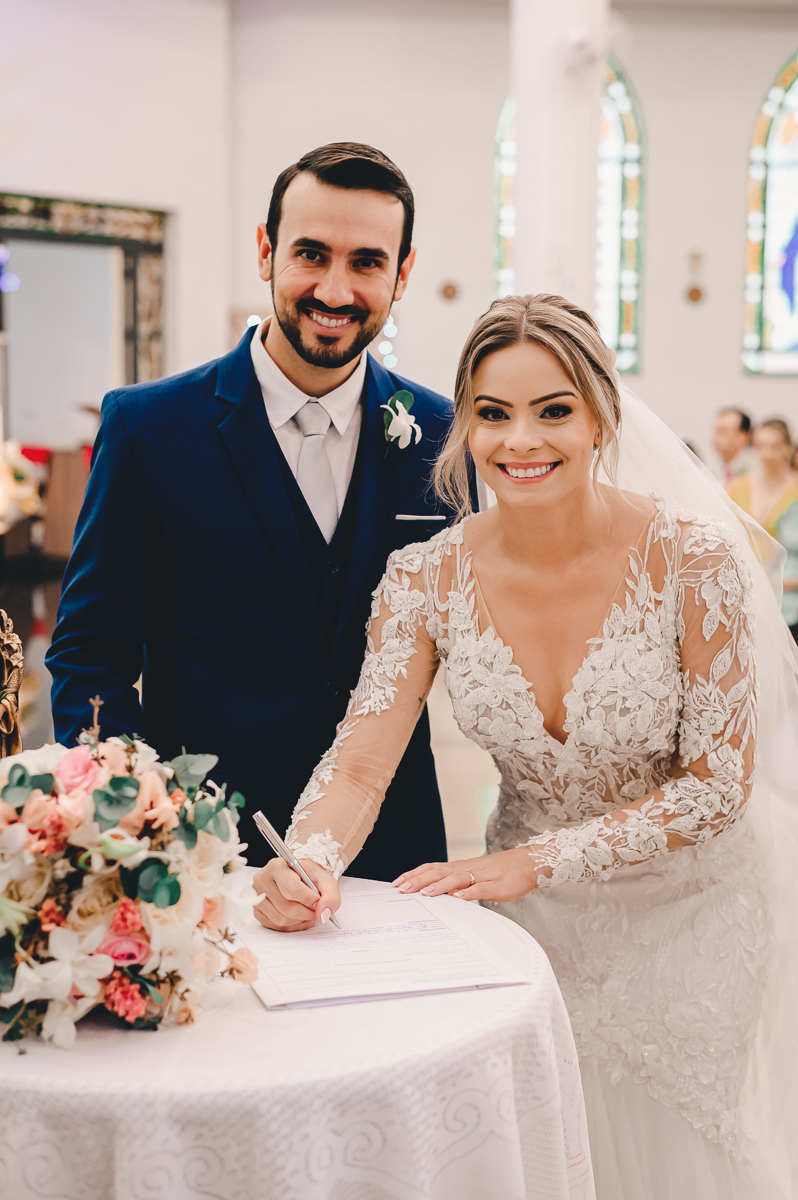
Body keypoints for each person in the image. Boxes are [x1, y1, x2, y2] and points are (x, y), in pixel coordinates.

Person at [256, 294, 798, 1199]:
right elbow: (360, 762)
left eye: (554, 410)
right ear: (464, 424)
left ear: (600, 417)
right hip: (534, 929)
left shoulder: (692, 560)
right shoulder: (424, 576)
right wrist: (307, 859)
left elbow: (716, 786)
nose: (521, 441)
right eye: (493, 413)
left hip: (692, 914)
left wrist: (536, 861)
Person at [46, 142, 472, 876]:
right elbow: (90, 654)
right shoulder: (149, 429)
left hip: (392, 855)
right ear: (265, 251)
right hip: (201, 852)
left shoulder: (443, 435)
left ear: (402, 274)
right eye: (311, 254)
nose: (335, 291)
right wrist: (134, 818)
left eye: (367, 262)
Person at [729, 418, 798, 640]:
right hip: (744, 591)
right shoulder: (739, 487)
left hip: (787, 597)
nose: (767, 454)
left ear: (788, 448)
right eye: (760, 446)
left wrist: (777, 583)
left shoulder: (794, 492)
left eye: (774, 446)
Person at [713, 406, 753, 490]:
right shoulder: (712, 469)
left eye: (722, 432)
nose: (715, 438)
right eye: (716, 431)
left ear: (743, 437)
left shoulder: (755, 471)